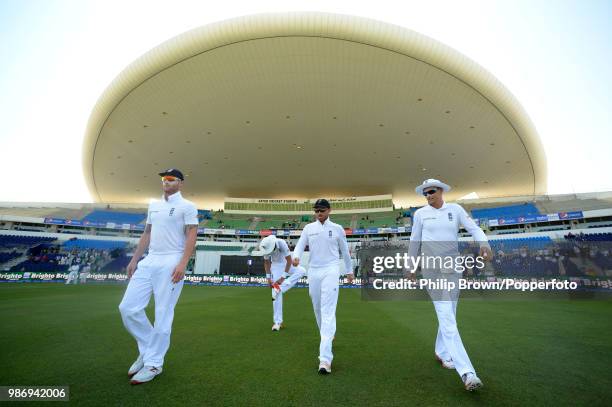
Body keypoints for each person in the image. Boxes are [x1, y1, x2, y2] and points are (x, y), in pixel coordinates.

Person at [408, 179, 492, 391]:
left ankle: (442, 352)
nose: (428, 195)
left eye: (432, 191)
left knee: (449, 314)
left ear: (441, 191)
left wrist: (484, 242)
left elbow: (474, 228)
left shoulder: (455, 209)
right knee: (446, 316)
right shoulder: (420, 214)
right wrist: (410, 266)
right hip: (431, 269)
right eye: (425, 193)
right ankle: (467, 373)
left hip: (453, 269)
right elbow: (414, 240)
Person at [118, 168, 198, 385]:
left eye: (171, 179)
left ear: (180, 183)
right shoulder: (154, 205)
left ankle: (154, 364)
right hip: (150, 260)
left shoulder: (187, 206)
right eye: (164, 179)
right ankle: (147, 350)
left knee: (163, 312)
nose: (166, 181)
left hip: (172, 261)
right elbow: (147, 233)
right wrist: (135, 259)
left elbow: (192, 234)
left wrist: (183, 263)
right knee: (128, 308)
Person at [292, 199, 354, 374]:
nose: (319, 212)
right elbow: (299, 246)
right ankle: (327, 335)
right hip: (314, 271)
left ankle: (325, 359)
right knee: (317, 308)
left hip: (331, 270)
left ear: (329, 211)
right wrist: (296, 256)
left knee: (327, 310)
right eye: (317, 210)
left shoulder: (337, 228)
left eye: (322, 210)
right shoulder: (308, 228)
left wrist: (349, 271)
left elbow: (345, 251)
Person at [253, 235, 306, 331]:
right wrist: (268, 278)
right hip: (276, 266)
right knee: (275, 294)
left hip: (286, 264)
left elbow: (289, 260)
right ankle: (277, 322)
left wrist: (283, 278)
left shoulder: (281, 243)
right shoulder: (265, 246)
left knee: (302, 271)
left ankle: (280, 288)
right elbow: (267, 263)